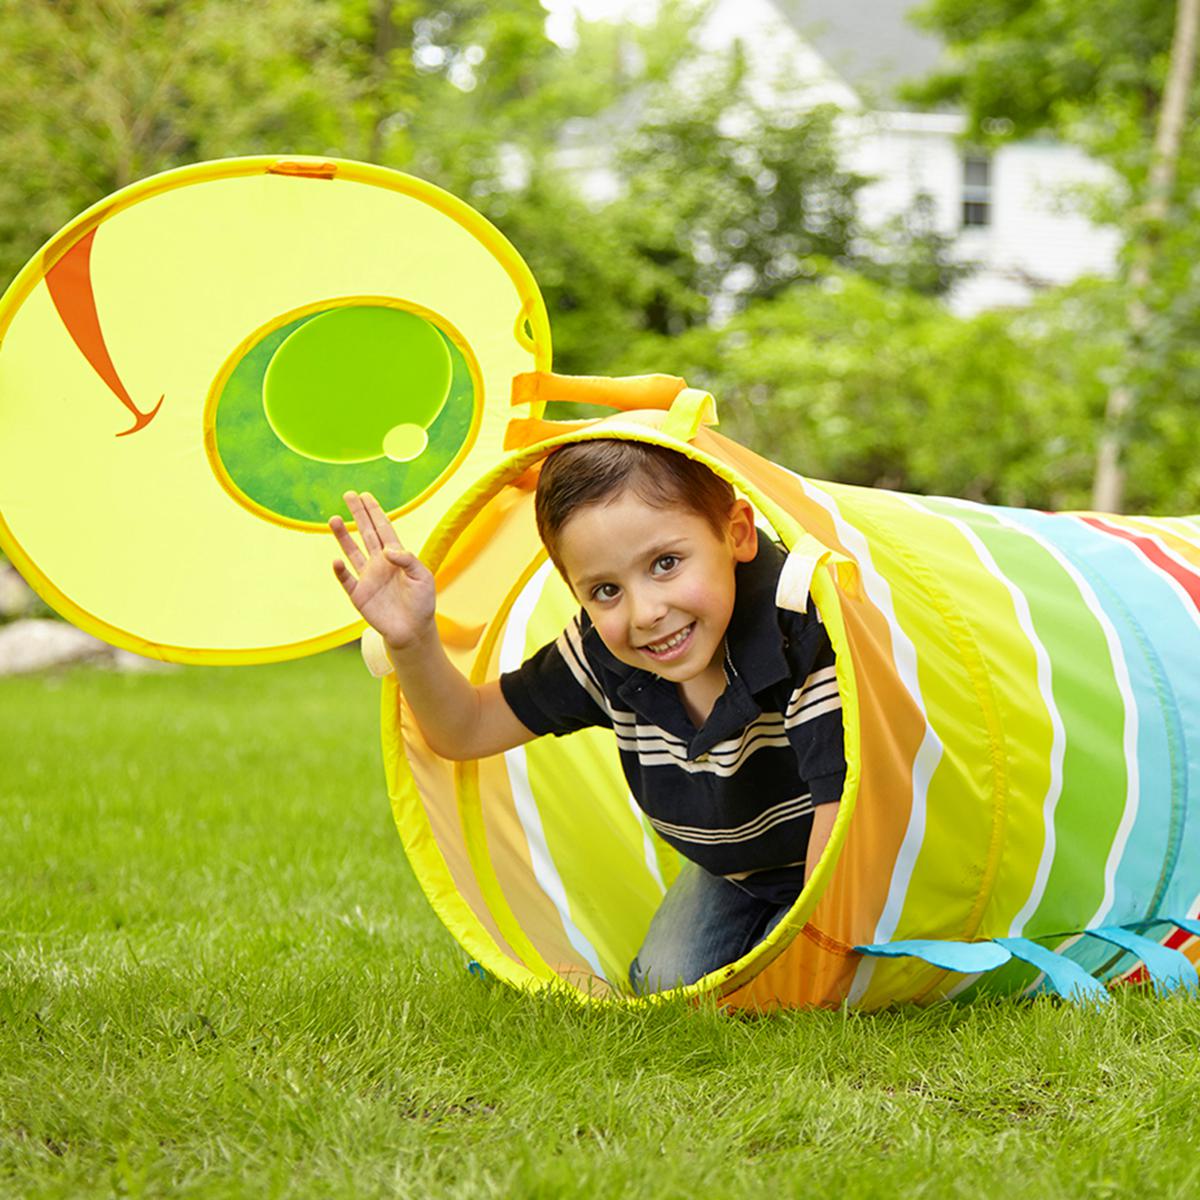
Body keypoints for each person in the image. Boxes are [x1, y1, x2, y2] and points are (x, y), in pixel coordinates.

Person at [329, 439, 845, 993]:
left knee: (807, 973)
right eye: (605, 590)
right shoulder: (605, 655)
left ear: (737, 533)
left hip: (851, 842)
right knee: (665, 984)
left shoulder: (800, 627)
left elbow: (844, 813)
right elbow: (465, 728)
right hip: (739, 873)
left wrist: (805, 952)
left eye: (665, 564)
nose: (645, 612)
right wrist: (412, 642)